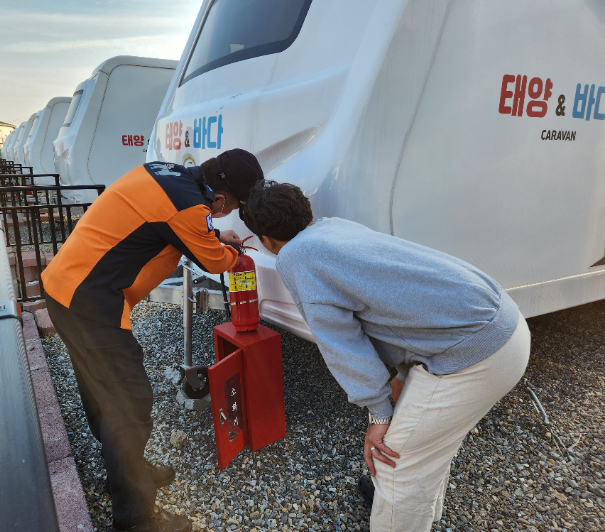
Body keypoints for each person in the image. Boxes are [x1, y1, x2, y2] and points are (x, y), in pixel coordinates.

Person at [242, 180, 530, 532]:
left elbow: (341, 341)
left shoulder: (295, 257)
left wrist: (378, 414)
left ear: (264, 240)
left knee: (395, 461)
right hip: (499, 324)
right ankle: (421, 515)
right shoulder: (334, 228)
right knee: (425, 445)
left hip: (476, 351)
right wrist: (397, 383)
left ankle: (400, 511)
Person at [42, 149, 264, 532]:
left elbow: (177, 223)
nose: (225, 216)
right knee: (130, 401)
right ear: (223, 200)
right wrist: (232, 250)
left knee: (102, 392)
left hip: (66, 288)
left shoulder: (168, 174)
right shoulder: (189, 210)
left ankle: (126, 469)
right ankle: (135, 519)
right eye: (232, 210)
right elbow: (214, 260)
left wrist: (213, 233)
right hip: (90, 302)